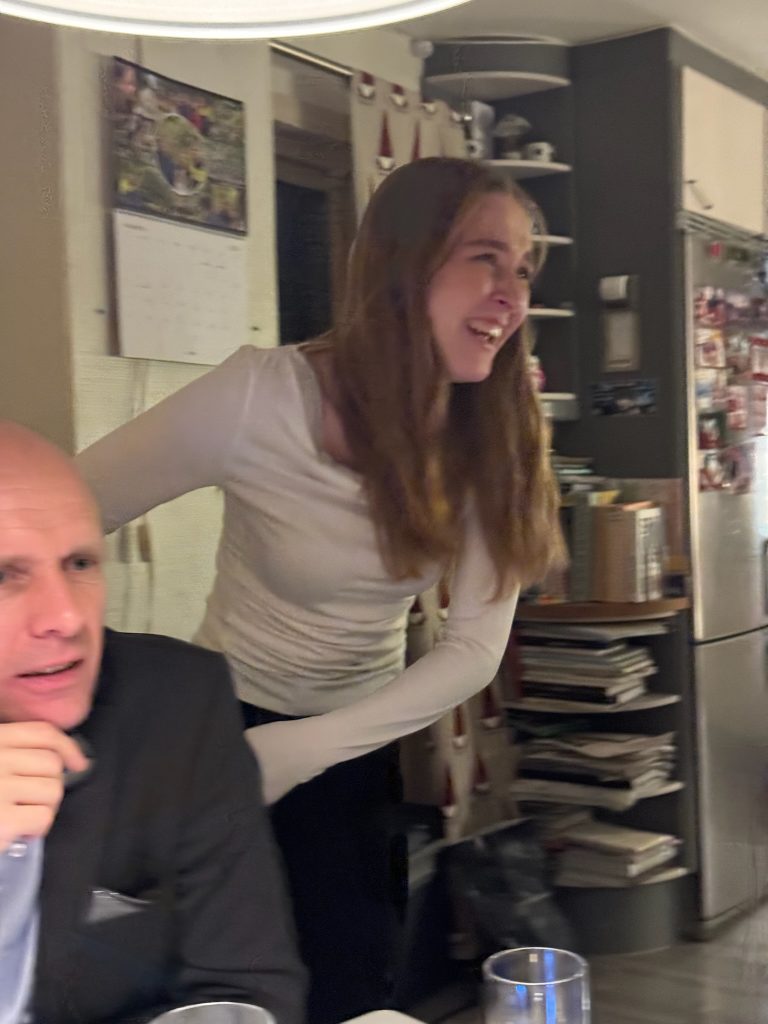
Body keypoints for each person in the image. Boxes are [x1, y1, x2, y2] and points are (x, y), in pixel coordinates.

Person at [76, 156, 564, 1024]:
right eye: (485, 258)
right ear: (403, 264)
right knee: (224, 989)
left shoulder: (490, 431)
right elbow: (64, 515)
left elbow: (472, 649)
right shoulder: (259, 397)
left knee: (348, 984)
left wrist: (304, 750)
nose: (510, 297)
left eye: (522, 270)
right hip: (223, 733)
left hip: (353, 741)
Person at [0, 422, 306, 1024]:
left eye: (79, 563)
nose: (66, 616)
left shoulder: (174, 706)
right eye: (3, 576)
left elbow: (245, 988)